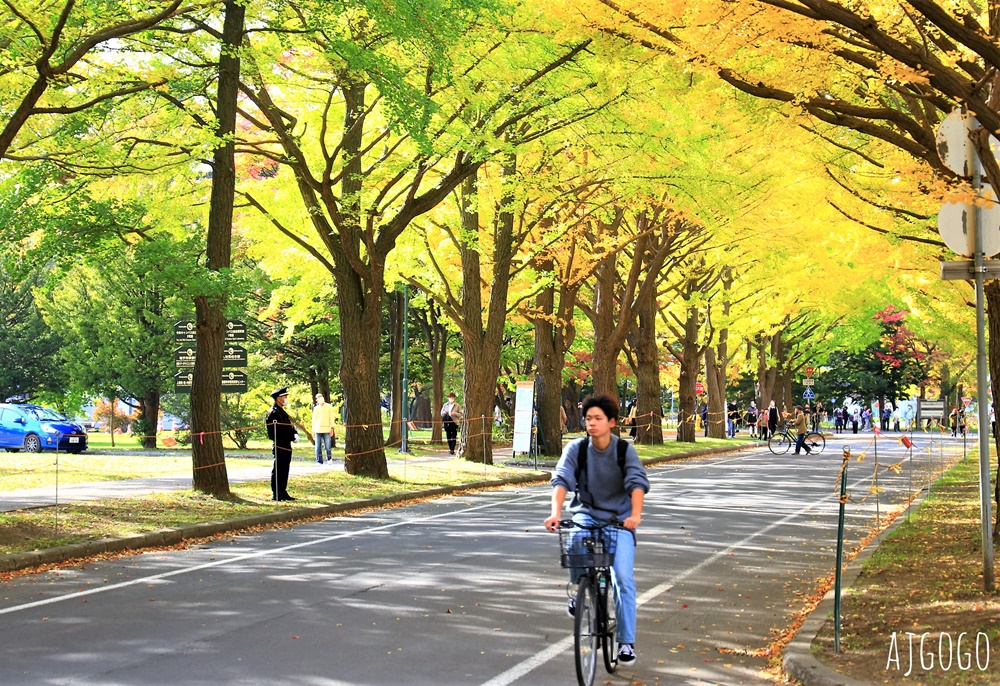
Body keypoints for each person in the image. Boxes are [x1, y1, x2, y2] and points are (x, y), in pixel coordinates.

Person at [544, 394, 650, 667]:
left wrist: (635, 515)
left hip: (620, 520)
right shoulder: (576, 450)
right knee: (574, 542)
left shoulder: (625, 451)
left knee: (623, 578)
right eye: (588, 418)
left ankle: (626, 642)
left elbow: (637, 483)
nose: (591, 423)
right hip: (587, 515)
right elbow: (562, 480)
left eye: (598, 419)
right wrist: (556, 512)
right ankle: (579, 589)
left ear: (612, 422)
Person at [266, 387, 298, 501]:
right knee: (278, 469)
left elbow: (289, 426)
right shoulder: (274, 412)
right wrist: (290, 436)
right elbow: (277, 431)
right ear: (278, 398)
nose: (286, 399)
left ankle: (283, 491)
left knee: (285, 469)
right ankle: (276, 493)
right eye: (284, 397)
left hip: (286, 445)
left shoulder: (282, 411)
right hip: (280, 444)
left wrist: (294, 433)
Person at [312, 393, 336, 464]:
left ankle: (329, 459)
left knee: (328, 446)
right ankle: (319, 461)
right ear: (316, 400)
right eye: (318, 397)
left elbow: (331, 417)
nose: (320, 398)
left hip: (327, 429)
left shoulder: (329, 406)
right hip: (318, 429)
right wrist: (313, 430)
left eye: (321, 396)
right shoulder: (316, 409)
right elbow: (314, 420)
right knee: (318, 447)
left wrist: (332, 428)